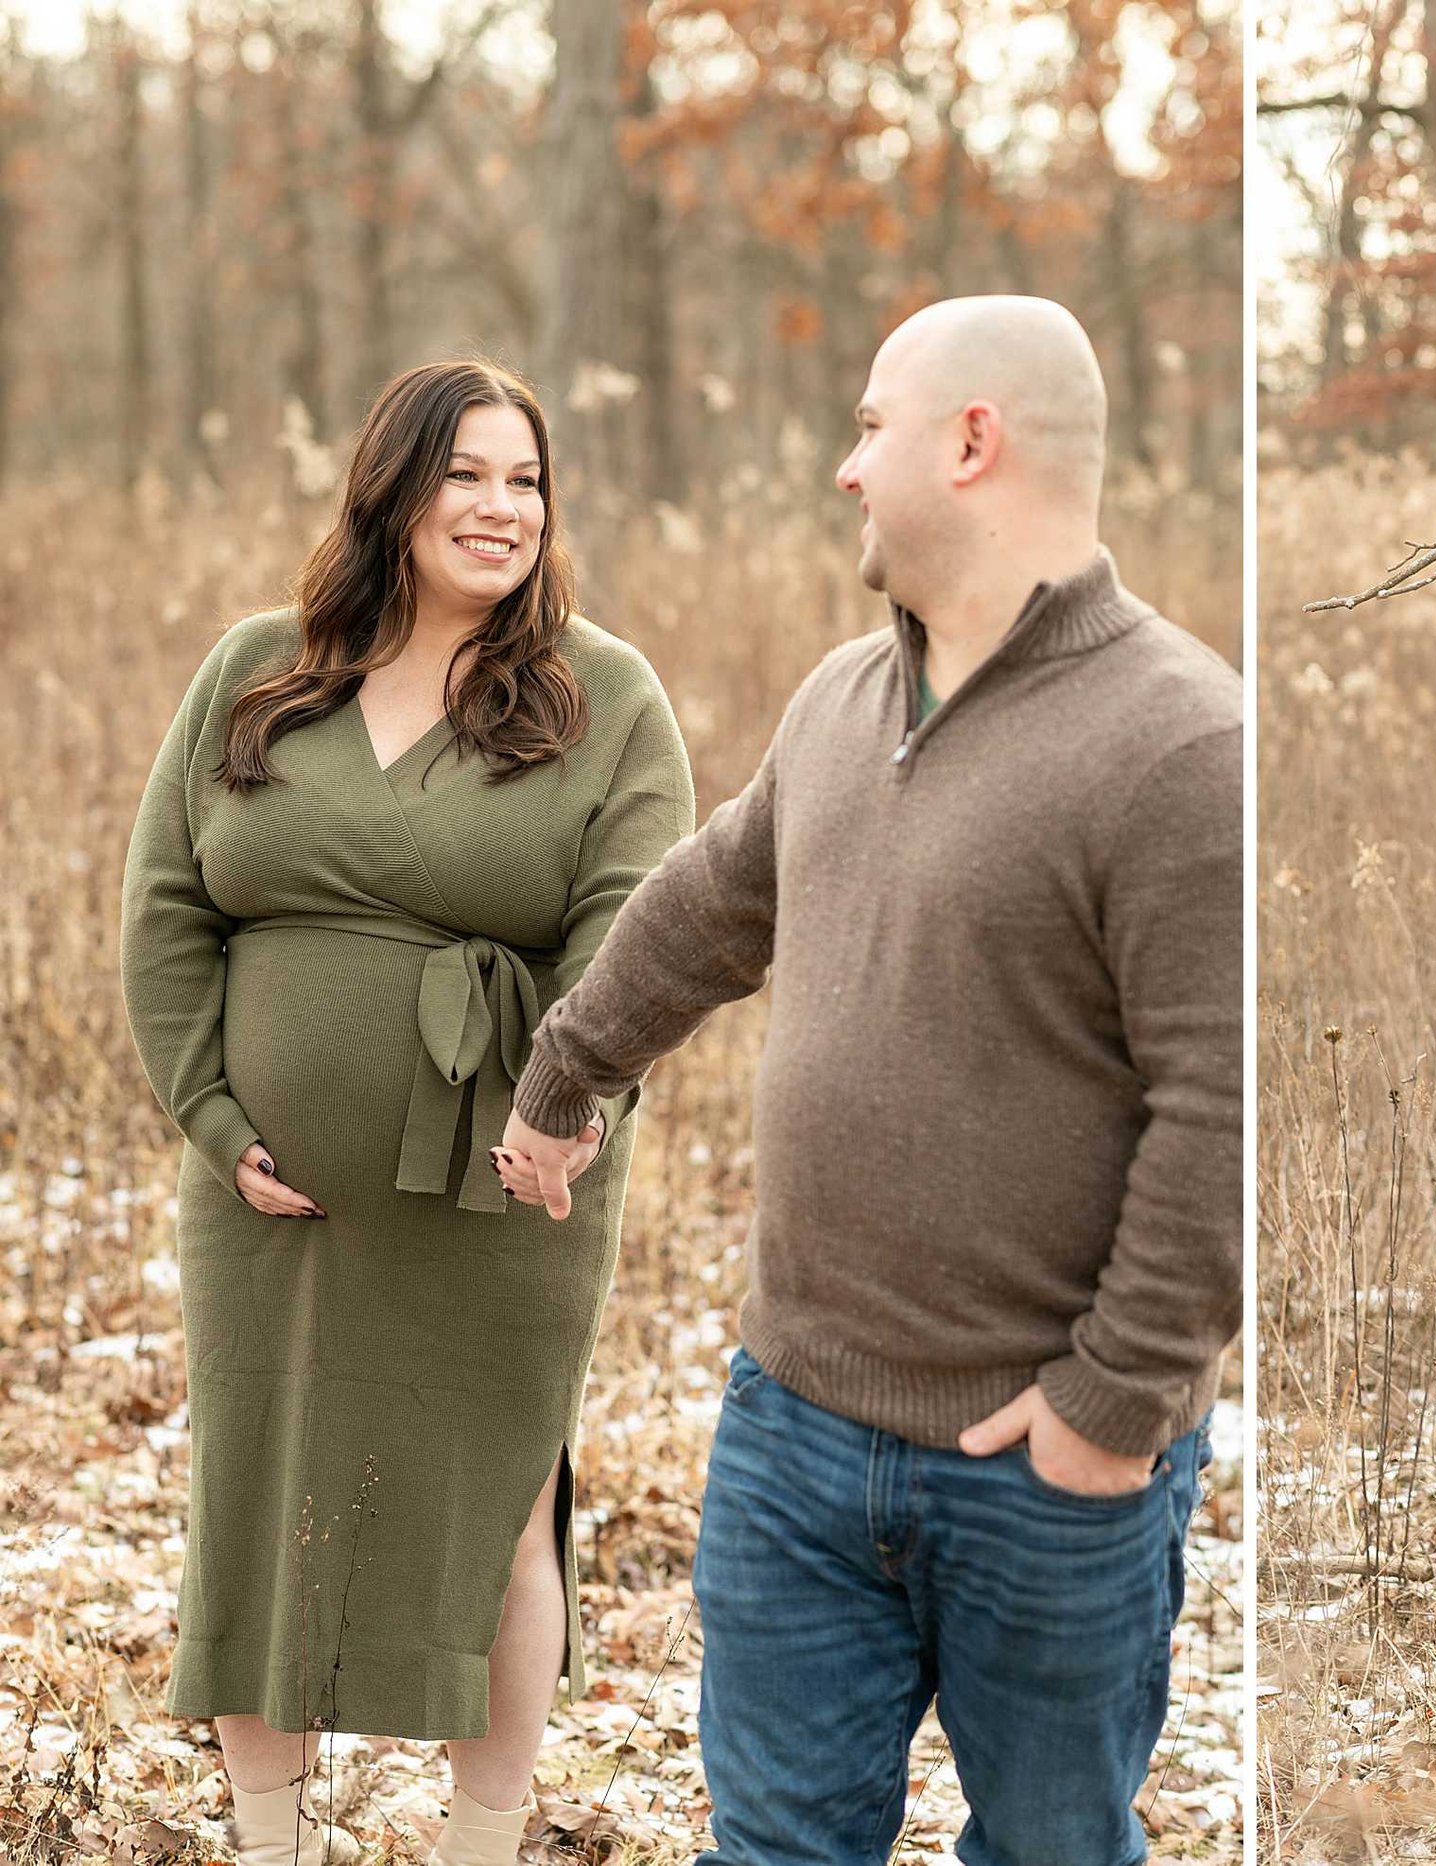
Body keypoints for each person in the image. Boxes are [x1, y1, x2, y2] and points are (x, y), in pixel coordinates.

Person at [493, 295, 1242, 1866]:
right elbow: (710, 905)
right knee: (772, 1850)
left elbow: (1223, 1113)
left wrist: (1111, 1407)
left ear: (973, 441)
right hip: (795, 1435)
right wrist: (566, 1070)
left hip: (1044, 1479)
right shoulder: (842, 699)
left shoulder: (1181, 742)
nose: (845, 468)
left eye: (868, 425)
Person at [118, 359, 696, 1866]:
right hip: (270, 1194)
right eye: (468, 476)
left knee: (494, 1504)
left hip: (497, 1189)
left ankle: (479, 1846)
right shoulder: (258, 668)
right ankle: (275, 1841)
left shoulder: (602, 699)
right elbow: (167, 907)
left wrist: (571, 1110)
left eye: (528, 480)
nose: (502, 509)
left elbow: (638, 932)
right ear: (392, 488)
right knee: (259, 1490)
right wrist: (212, 1111)